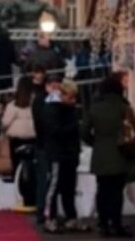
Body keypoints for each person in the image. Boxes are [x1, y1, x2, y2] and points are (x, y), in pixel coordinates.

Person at [82, 72, 135, 238]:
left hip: (100, 154)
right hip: (120, 154)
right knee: (116, 192)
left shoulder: (94, 107)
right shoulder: (124, 107)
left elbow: (85, 131)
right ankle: (116, 224)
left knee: (102, 190)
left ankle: (103, 224)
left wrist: (96, 143)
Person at [42, 79, 88, 233]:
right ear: (62, 95)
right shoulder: (52, 109)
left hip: (69, 152)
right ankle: (50, 217)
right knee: (54, 187)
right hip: (57, 153)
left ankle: (70, 217)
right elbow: (54, 132)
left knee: (69, 187)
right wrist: (73, 128)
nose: (74, 101)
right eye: (71, 97)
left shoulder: (67, 110)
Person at [1, 76, 37, 202]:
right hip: (32, 137)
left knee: (17, 168)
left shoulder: (12, 105)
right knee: (33, 168)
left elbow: (5, 123)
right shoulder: (35, 103)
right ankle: (32, 194)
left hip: (16, 139)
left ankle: (19, 194)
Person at [31, 69, 59, 225]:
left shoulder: (42, 100)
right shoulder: (43, 101)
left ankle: (47, 211)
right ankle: (44, 211)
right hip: (44, 144)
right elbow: (42, 123)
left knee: (48, 180)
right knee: (45, 179)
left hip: (46, 144)